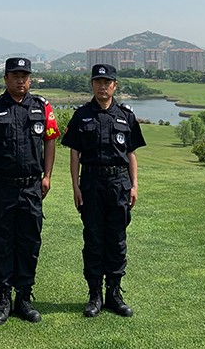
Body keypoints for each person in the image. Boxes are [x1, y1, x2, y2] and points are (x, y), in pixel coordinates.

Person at [0, 57, 60, 325]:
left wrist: (48, 175)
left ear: (30, 79)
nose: (20, 80)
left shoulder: (42, 107)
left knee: (29, 243)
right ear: (6, 79)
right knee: (1, 243)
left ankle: (24, 297)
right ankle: (3, 298)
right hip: (1, 187)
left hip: (31, 187)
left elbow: (50, 140)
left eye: (25, 76)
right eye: (15, 76)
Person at [61, 63, 146, 318]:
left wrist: (134, 185)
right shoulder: (81, 115)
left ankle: (114, 294)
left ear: (114, 86)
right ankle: (95, 295)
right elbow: (74, 153)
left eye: (107, 82)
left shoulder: (126, 116)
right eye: (98, 81)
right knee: (94, 239)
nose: (102, 86)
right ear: (92, 84)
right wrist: (75, 186)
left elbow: (131, 154)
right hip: (91, 183)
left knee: (117, 240)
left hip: (119, 183)